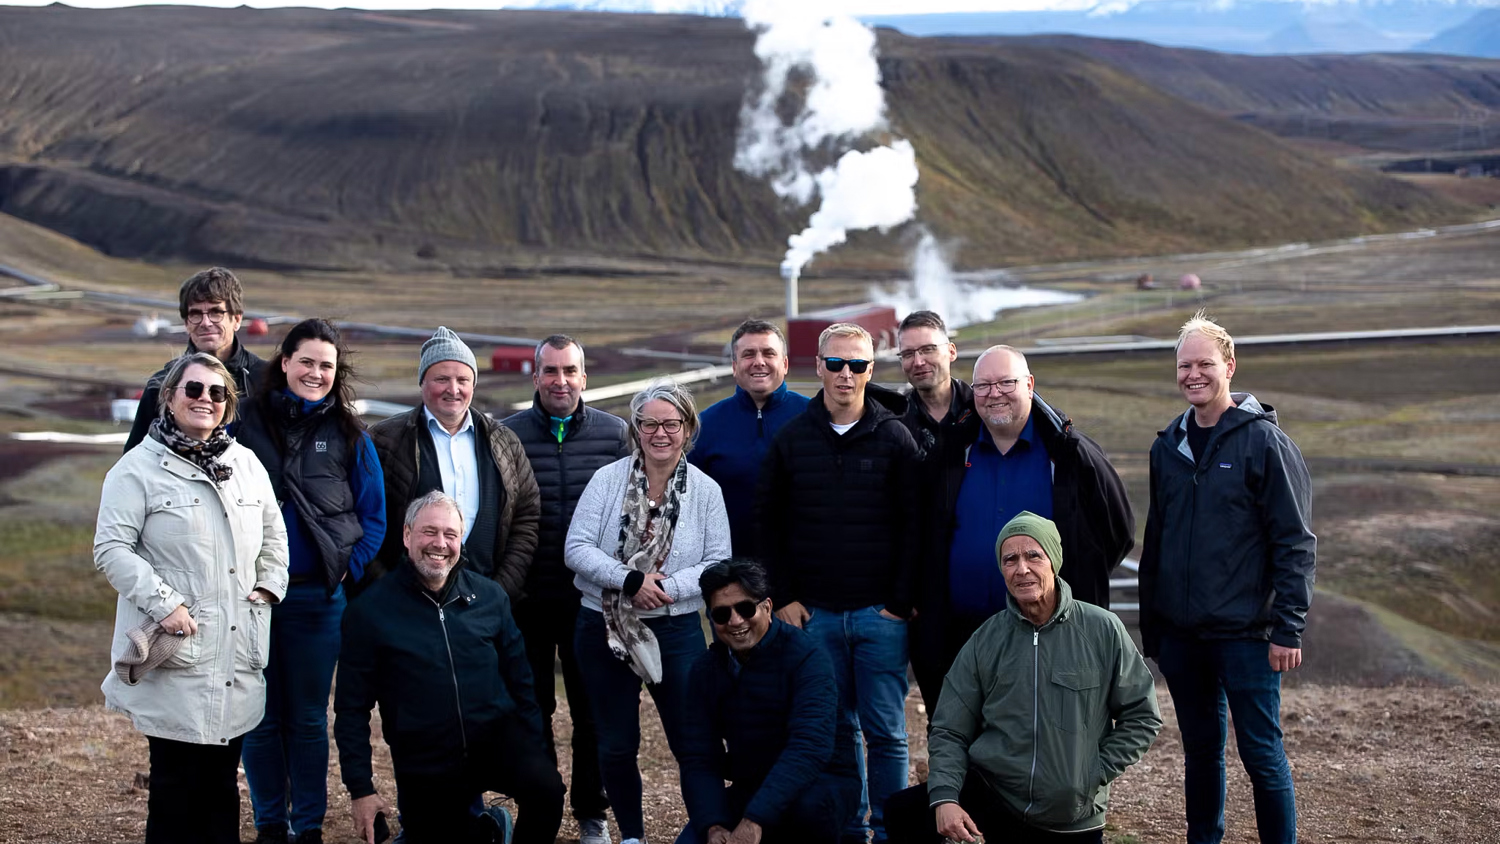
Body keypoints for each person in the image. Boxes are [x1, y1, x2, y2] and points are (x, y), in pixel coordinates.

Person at [95, 352, 289, 844]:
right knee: (175, 790)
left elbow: (274, 537)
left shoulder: (245, 464)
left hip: (237, 649)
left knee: (223, 786)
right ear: (170, 397)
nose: (206, 399)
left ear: (228, 405)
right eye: (194, 390)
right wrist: (165, 604)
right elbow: (111, 549)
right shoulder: (137, 468)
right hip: (177, 651)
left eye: (217, 392)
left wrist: (268, 588)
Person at [1139, 311, 1316, 844]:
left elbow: (1295, 540)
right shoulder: (1167, 446)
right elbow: (1158, 542)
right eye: (1184, 365)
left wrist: (1289, 627)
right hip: (1184, 637)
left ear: (1230, 366)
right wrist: (1157, 631)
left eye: (1205, 364)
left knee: (1261, 755)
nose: (1194, 374)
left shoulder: (1264, 443)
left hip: (1247, 635)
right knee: (1200, 753)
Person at [886, 512, 1161, 844]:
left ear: (1053, 561)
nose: (1022, 569)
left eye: (1034, 555)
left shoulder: (1102, 629)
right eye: (1010, 559)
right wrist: (945, 797)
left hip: (1071, 813)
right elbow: (949, 728)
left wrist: (1092, 772)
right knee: (902, 813)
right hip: (998, 797)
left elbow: (1143, 716)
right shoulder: (986, 638)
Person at [755, 322, 923, 844]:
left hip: (880, 616)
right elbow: (768, 525)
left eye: (857, 365)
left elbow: (917, 525)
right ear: (817, 366)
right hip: (816, 616)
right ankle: (852, 830)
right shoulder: (792, 439)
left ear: (872, 371)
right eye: (835, 364)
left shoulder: (896, 437)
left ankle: (889, 829)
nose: (845, 374)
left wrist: (900, 602)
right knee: (837, 731)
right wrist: (782, 597)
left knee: (888, 734)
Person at [913, 344, 1134, 714]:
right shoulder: (950, 453)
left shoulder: (1068, 455)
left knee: (1042, 743)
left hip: (1047, 633)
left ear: (1029, 384)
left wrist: (1074, 582)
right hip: (962, 635)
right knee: (962, 744)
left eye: (1005, 383)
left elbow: (1119, 532)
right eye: (982, 386)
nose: (993, 394)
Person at [335, 491, 565, 844]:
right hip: (426, 760)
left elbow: (522, 682)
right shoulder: (370, 612)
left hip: (495, 740)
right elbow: (351, 710)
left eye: (450, 534)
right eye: (429, 532)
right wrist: (360, 790)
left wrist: (535, 750)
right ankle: (486, 830)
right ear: (407, 535)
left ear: (461, 540)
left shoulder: (490, 597)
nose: (439, 544)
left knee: (547, 790)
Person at [234, 318, 387, 844]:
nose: (316, 373)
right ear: (284, 362)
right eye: (307, 362)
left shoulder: (349, 433)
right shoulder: (244, 421)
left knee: (304, 718)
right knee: (258, 715)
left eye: (326, 365)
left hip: (316, 600)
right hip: (251, 596)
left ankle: (309, 827)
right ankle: (270, 824)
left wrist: (348, 569)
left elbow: (375, 518)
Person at [565, 378, 731, 844]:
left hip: (677, 630)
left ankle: (707, 829)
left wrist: (666, 589)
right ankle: (633, 836)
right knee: (616, 745)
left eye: (671, 423)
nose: (660, 433)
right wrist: (631, 580)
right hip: (603, 626)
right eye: (649, 423)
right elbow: (575, 547)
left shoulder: (705, 492)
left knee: (692, 742)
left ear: (688, 428)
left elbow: (717, 561)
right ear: (635, 429)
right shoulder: (607, 480)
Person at [501, 334, 630, 844]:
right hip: (528, 600)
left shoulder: (614, 433)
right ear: (535, 378)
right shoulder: (506, 434)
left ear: (584, 376)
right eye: (550, 371)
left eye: (569, 371)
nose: (560, 381)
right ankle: (544, 803)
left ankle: (592, 812)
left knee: (591, 713)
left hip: (591, 602)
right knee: (533, 711)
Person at [676, 559, 861, 844]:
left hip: (821, 783)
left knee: (807, 812)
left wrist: (755, 820)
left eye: (746, 609)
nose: (736, 621)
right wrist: (713, 825)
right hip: (752, 786)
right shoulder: (706, 670)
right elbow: (698, 757)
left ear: (767, 607)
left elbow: (809, 746)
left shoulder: (807, 657)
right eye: (722, 614)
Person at [370, 326, 540, 596]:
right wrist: (390, 590)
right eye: (441, 379)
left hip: (486, 600)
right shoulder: (384, 440)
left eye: (463, 379)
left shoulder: (504, 442)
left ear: (473, 384)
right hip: (409, 601)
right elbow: (365, 519)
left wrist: (501, 591)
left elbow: (526, 518)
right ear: (422, 382)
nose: (454, 389)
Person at [690, 319, 809, 554]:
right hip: (730, 572)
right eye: (748, 354)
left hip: (802, 571)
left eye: (768, 353)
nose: (759, 362)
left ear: (784, 364)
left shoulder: (815, 418)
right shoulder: (706, 425)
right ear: (734, 366)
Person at [126, 267, 269, 452]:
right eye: (195, 314)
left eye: (216, 312)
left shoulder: (267, 381)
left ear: (237, 319)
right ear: (186, 323)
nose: (206, 322)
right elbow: (134, 460)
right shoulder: (160, 386)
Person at [896, 310, 977, 462]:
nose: (918, 362)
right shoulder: (894, 422)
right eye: (908, 354)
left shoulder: (981, 411)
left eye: (928, 350)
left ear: (951, 352)